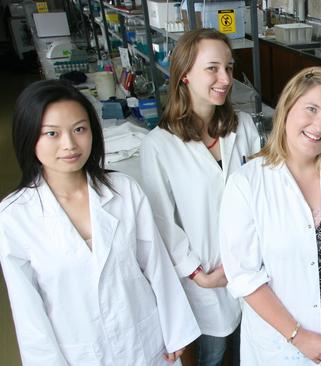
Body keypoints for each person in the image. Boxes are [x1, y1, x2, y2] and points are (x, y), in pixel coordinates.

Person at [0, 80, 200, 365]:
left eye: (79, 129)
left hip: (145, 342)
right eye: (52, 133)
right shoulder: (14, 217)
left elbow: (156, 264)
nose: (69, 144)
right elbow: (28, 312)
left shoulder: (123, 190)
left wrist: (175, 329)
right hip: (79, 352)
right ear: (29, 136)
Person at [220, 67, 321, 365]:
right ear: (287, 108)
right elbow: (244, 277)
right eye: (311, 109)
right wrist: (297, 336)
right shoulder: (246, 183)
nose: (319, 125)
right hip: (281, 344)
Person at [139, 29, 261, 366]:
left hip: (252, 269)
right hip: (206, 278)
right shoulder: (159, 145)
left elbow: (263, 194)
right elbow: (162, 221)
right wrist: (199, 275)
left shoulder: (244, 127)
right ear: (185, 75)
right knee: (214, 354)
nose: (225, 78)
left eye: (229, 67)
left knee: (250, 353)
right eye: (213, 68)